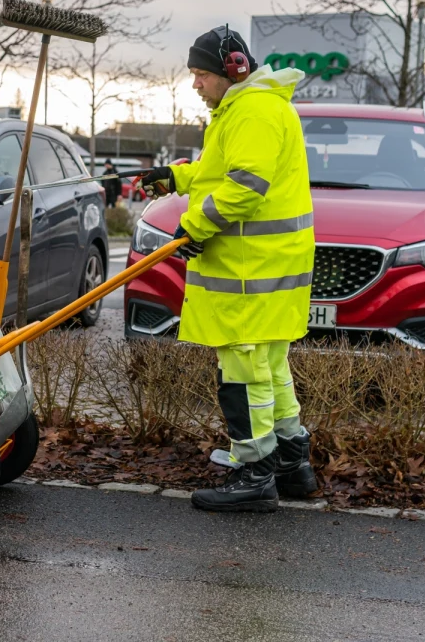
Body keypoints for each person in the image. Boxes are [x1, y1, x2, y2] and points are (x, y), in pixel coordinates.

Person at [140, 26, 317, 513]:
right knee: (270, 366)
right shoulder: (247, 108)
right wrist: (176, 177)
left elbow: (244, 187)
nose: (195, 84)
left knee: (242, 369)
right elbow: (222, 172)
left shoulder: (253, 111)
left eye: (201, 74)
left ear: (233, 70)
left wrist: (193, 226)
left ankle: (253, 473)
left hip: (249, 268)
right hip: (265, 264)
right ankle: (291, 463)